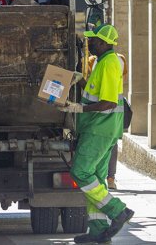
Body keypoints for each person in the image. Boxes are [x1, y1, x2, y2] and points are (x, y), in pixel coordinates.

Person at [57, 24, 134, 244]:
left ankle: (118, 210)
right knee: (97, 179)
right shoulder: (102, 62)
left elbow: (108, 101)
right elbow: (94, 90)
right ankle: (99, 231)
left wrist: (78, 109)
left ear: (105, 43)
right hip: (100, 127)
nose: (90, 45)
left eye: (94, 41)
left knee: (80, 172)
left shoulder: (109, 63)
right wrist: (78, 78)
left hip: (99, 128)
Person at [87, 53, 128, 190]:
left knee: (100, 149)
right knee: (111, 147)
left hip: (100, 113)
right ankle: (110, 178)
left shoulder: (93, 61)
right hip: (115, 116)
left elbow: (91, 83)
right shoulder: (121, 59)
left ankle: (98, 179)